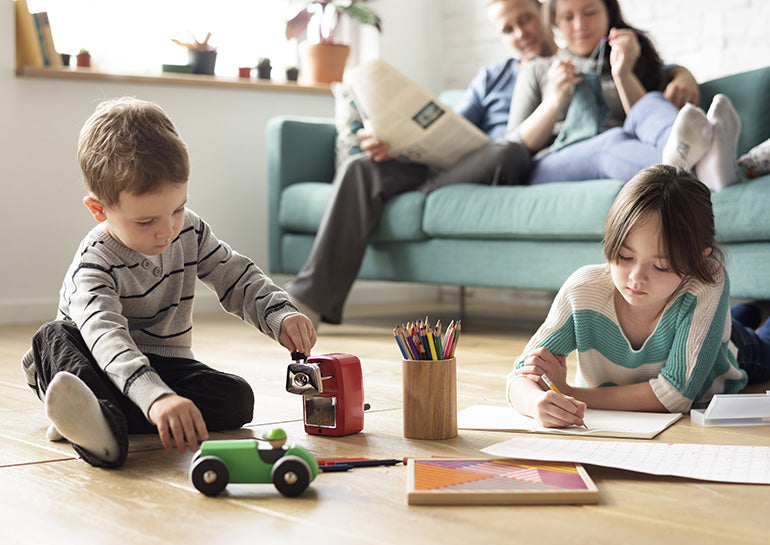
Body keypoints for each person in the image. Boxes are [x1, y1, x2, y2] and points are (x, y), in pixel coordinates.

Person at [287, 0, 700, 326]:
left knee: (507, 149)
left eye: (525, 19)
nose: (520, 33)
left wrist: (683, 74)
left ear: (543, 13)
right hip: (454, 162)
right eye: (507, 28)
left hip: (510, 161)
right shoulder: (492, 77)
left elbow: (646, 70)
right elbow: (450, 128)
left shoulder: (576, 63)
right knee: (361, 167)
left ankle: (431, 191)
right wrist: (393, 142)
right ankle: (308, 299)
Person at [20, 97, 317, 468]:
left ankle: (99, 418)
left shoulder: (188, 230)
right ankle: (93, 418)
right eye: (145, 222)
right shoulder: (94, 264)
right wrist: (157, 398)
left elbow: (234, 274)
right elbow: (106, 339)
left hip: (161, 362)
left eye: (177, 209)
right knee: (53, 335)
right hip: (93, 361)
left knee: (236, 398)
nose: (167, 230)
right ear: (99, 210)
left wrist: (280, 314)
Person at [506, 165, 770, 428]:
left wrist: (570, 392)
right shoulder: (582, 291)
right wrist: (534, 404)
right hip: (695, 326)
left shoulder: (706, 280)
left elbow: (675, 395)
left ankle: (752, 312)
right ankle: (752, 309)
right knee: (732, 320)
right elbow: (520, 374)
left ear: (701, 258)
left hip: (727, 352)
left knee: (756, 341)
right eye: (625, 256)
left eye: (661, 266)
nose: (636, 278)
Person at [505, 0, 709, 185]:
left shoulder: (634, 58)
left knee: (651, 103)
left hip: (627, 151)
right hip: (552, 163)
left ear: (608, 13)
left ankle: (698, 155)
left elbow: (643, 121)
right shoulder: (539, 70)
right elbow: (513, 149)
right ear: (556, 21)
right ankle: (704, 169)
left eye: (590, 13)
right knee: (611, 142)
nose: (579, 25)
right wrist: (554, 101)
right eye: (568, 17)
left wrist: (623, 74)